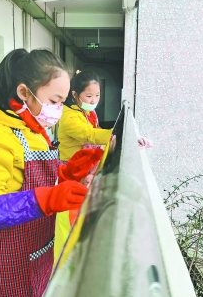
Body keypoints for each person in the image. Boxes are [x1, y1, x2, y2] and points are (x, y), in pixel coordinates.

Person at [0, 49, 102, 297]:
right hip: (9, 256)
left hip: (38, 248)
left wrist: (67, 173)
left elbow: (30, 176)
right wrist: (46, 199)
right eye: (54, 101)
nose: (59, 110)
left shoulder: (34, 130)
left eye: (61, 103)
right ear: (24, 93)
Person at [54, 70, 152, 263]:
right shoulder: (69, 117)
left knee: (79, 223)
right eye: (88, 96)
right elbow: (89, 135)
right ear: (75, 95)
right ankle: (65, 269)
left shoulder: (87, 113)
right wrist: (115, 135)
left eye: (97, 95)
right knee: (69, 224)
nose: (94, 100)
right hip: (73, 176)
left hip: (84, 174)